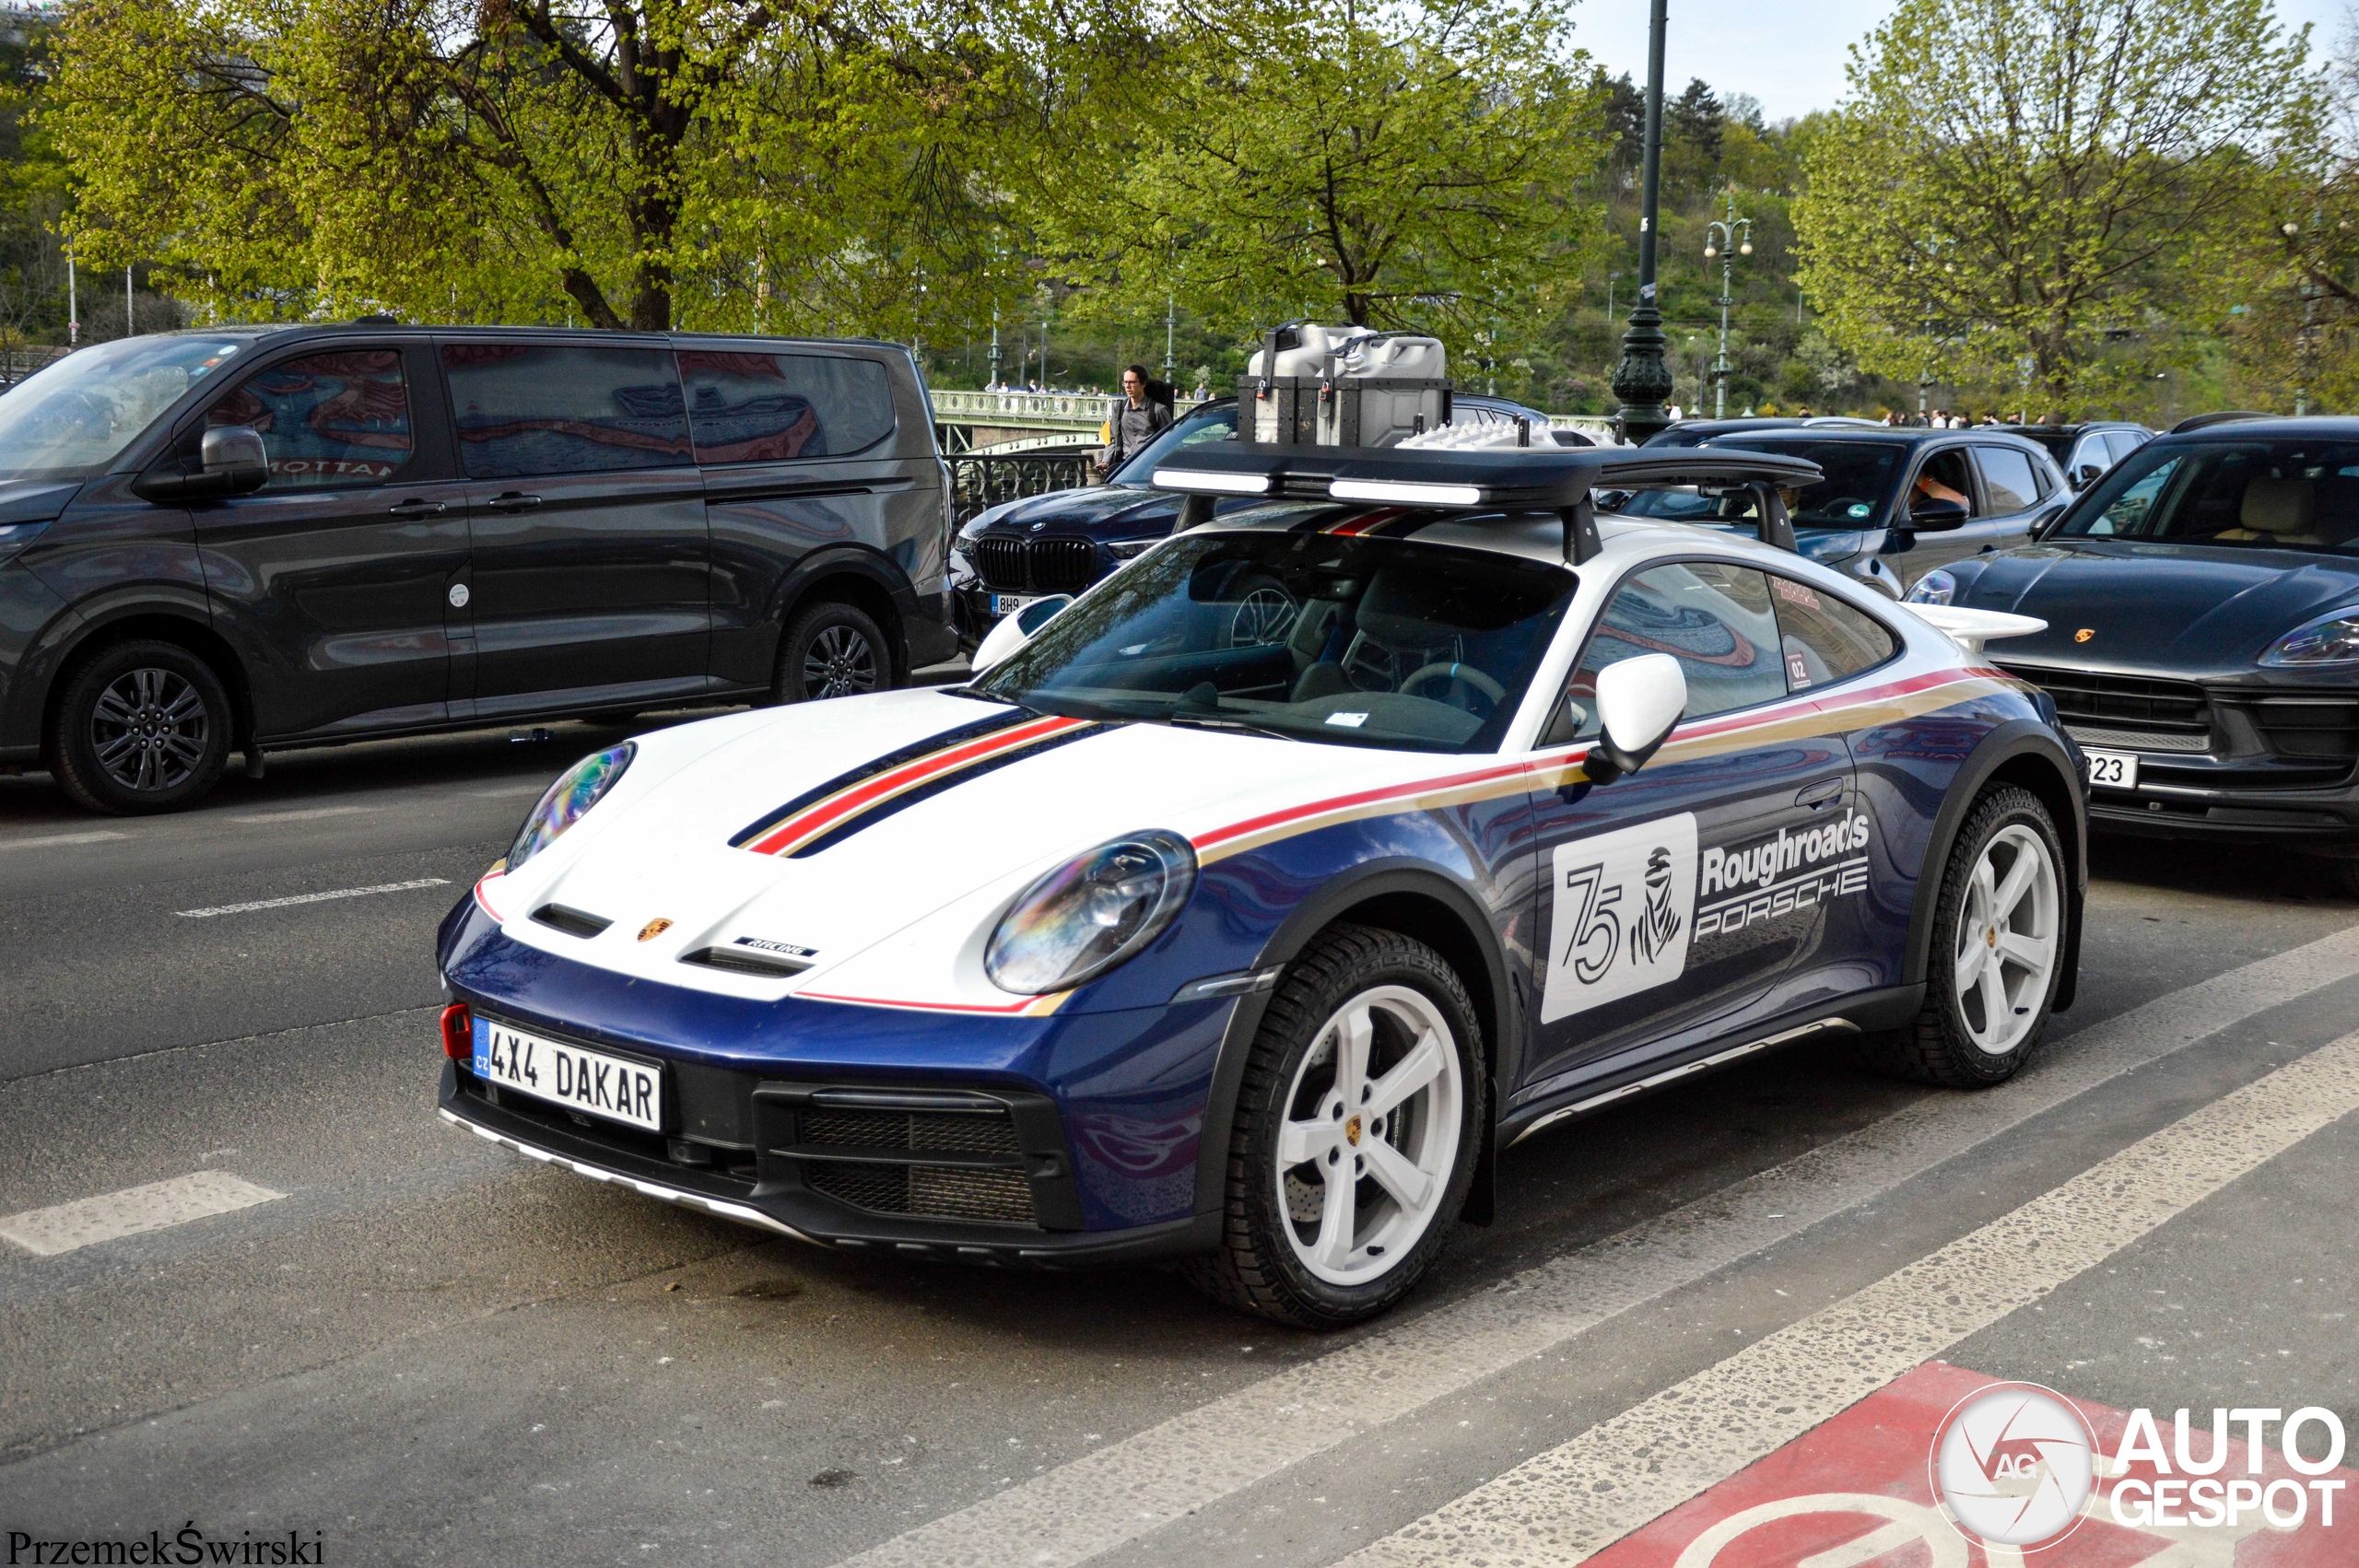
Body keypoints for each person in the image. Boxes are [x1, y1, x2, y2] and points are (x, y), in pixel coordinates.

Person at [1097, 364, 1174, 478]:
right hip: (1125, 467)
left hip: (1149, 469)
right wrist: (1106, 461)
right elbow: (1114, 440)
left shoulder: (1158, 410)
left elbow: (1171, 439)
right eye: (1125, 382)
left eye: (1132, 382)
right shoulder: (1119, 408)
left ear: (1143, 383)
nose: (1128, 386)